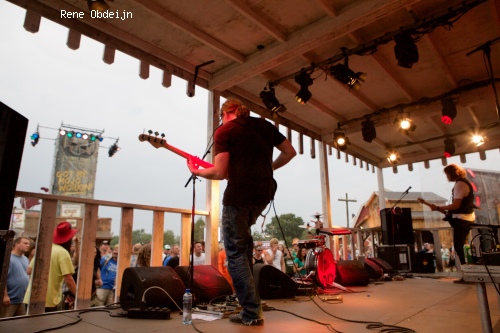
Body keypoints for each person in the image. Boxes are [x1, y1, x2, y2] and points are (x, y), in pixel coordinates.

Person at [186, 98, 296, 326]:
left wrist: (196, 171)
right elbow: (290, 152)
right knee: (243, 246)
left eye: (220, 116)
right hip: (263, 194)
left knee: (234, 254)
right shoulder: (265, 126)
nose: (220, 119)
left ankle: (251, 313)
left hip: (238, 196)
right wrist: (268, 168)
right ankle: (251, 307)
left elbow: (219, 172)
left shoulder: (225, 131)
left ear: (227, 113)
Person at [429, 164, 476, 267]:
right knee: (460, 246)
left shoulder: (460, 184)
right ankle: (467, 272)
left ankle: (467, 272)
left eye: (447, 174)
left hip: (462, 219)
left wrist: (439, 207)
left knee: (459, 247)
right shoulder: (462, 183)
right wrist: (439, 208)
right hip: (464, 218)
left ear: (452, 173)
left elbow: (456, 205)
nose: (447, 177)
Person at [35, 221, 78, 312]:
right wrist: (79, 297)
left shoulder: (45, 248)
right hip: (49, 299)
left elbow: (29, 270)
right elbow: (68, 279)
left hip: (32, 297)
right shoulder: (63, 252)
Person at [1, 237, 31, 318]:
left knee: (21, 324)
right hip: (10, 300)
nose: (28, 245)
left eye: (28, 244)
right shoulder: (8, 258)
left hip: (21, 300)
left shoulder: (25, 259)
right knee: (5, 323)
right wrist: (4, 295)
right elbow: (3, 279)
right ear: (17, 244)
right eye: (25, 243)